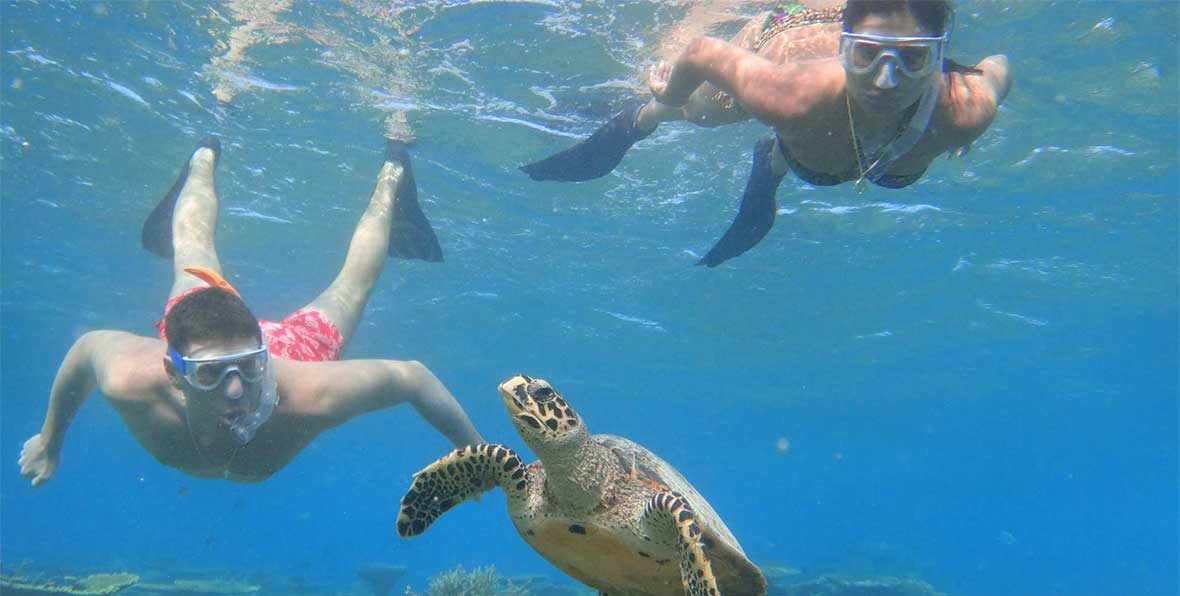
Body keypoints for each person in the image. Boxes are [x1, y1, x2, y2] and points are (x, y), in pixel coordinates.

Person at [19, 136, 483, 485]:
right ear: (173, 372)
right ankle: (203, 153)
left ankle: (392, 172)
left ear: (260, 358)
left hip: (291, 350)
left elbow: (414, 378)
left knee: (351, 287)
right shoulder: (129, 379)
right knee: (191, 245)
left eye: (247, 370)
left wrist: (476, 455)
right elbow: (84, 351)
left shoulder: (308, 391)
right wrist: (49, 440)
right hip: (203, 326)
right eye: (210, 376)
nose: (237, 389)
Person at [521, 0, 1012, 267]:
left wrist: (971, 117)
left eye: (913, 58)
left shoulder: (966, 109)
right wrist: (668, 97)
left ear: (938, 53)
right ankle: (642, 119)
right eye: (866, 55)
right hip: (784, 38)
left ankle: (774, 160)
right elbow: (701, 52)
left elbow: (999, 68)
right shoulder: (789, 95)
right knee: (697, 111)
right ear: (845, 48)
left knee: (808, 144)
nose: (886, 81)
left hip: (817, 138)